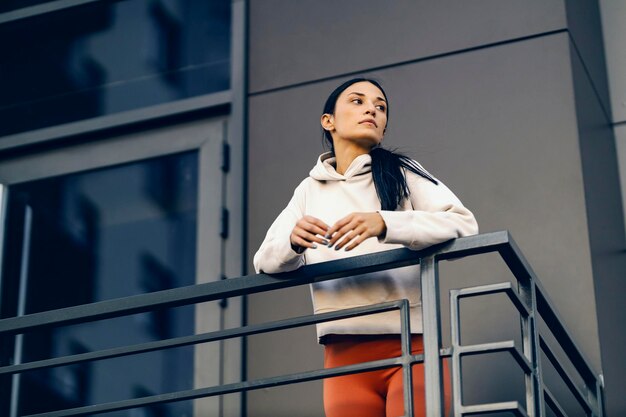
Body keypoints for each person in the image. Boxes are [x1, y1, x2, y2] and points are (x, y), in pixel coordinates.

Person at [253, 78, 478, 417]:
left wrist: (385, 223)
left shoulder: (401, 172)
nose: (372, 109)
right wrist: (292, 243)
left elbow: (464, 225)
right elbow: (265, 260)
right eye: (357, 101)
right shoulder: (308, 190)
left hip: (411, 343)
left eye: (380, 106)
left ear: (384, 129)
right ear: (328, 121)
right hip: (343, 356)